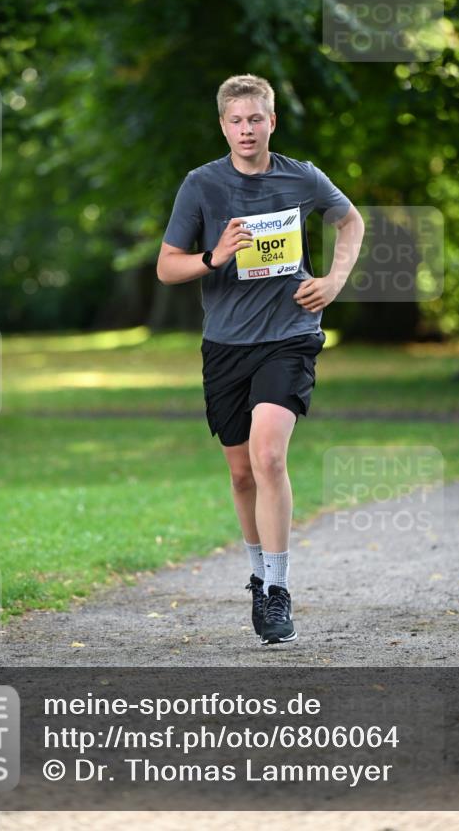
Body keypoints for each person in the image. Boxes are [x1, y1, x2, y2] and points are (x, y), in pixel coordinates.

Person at [156, 74, 364, 645]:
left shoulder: (302, 177)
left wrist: (334, 280)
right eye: (235, 120)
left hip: (290, 334)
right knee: (242, 470)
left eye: (255, 119)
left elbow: (349, 221)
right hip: (226, 345)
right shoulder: (201, 185)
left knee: (269, 456)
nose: (246, 129)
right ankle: (255, 573)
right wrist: (214, 255)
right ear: (223, 125)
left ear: (272, 121)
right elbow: (167, 267)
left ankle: (277, 590)